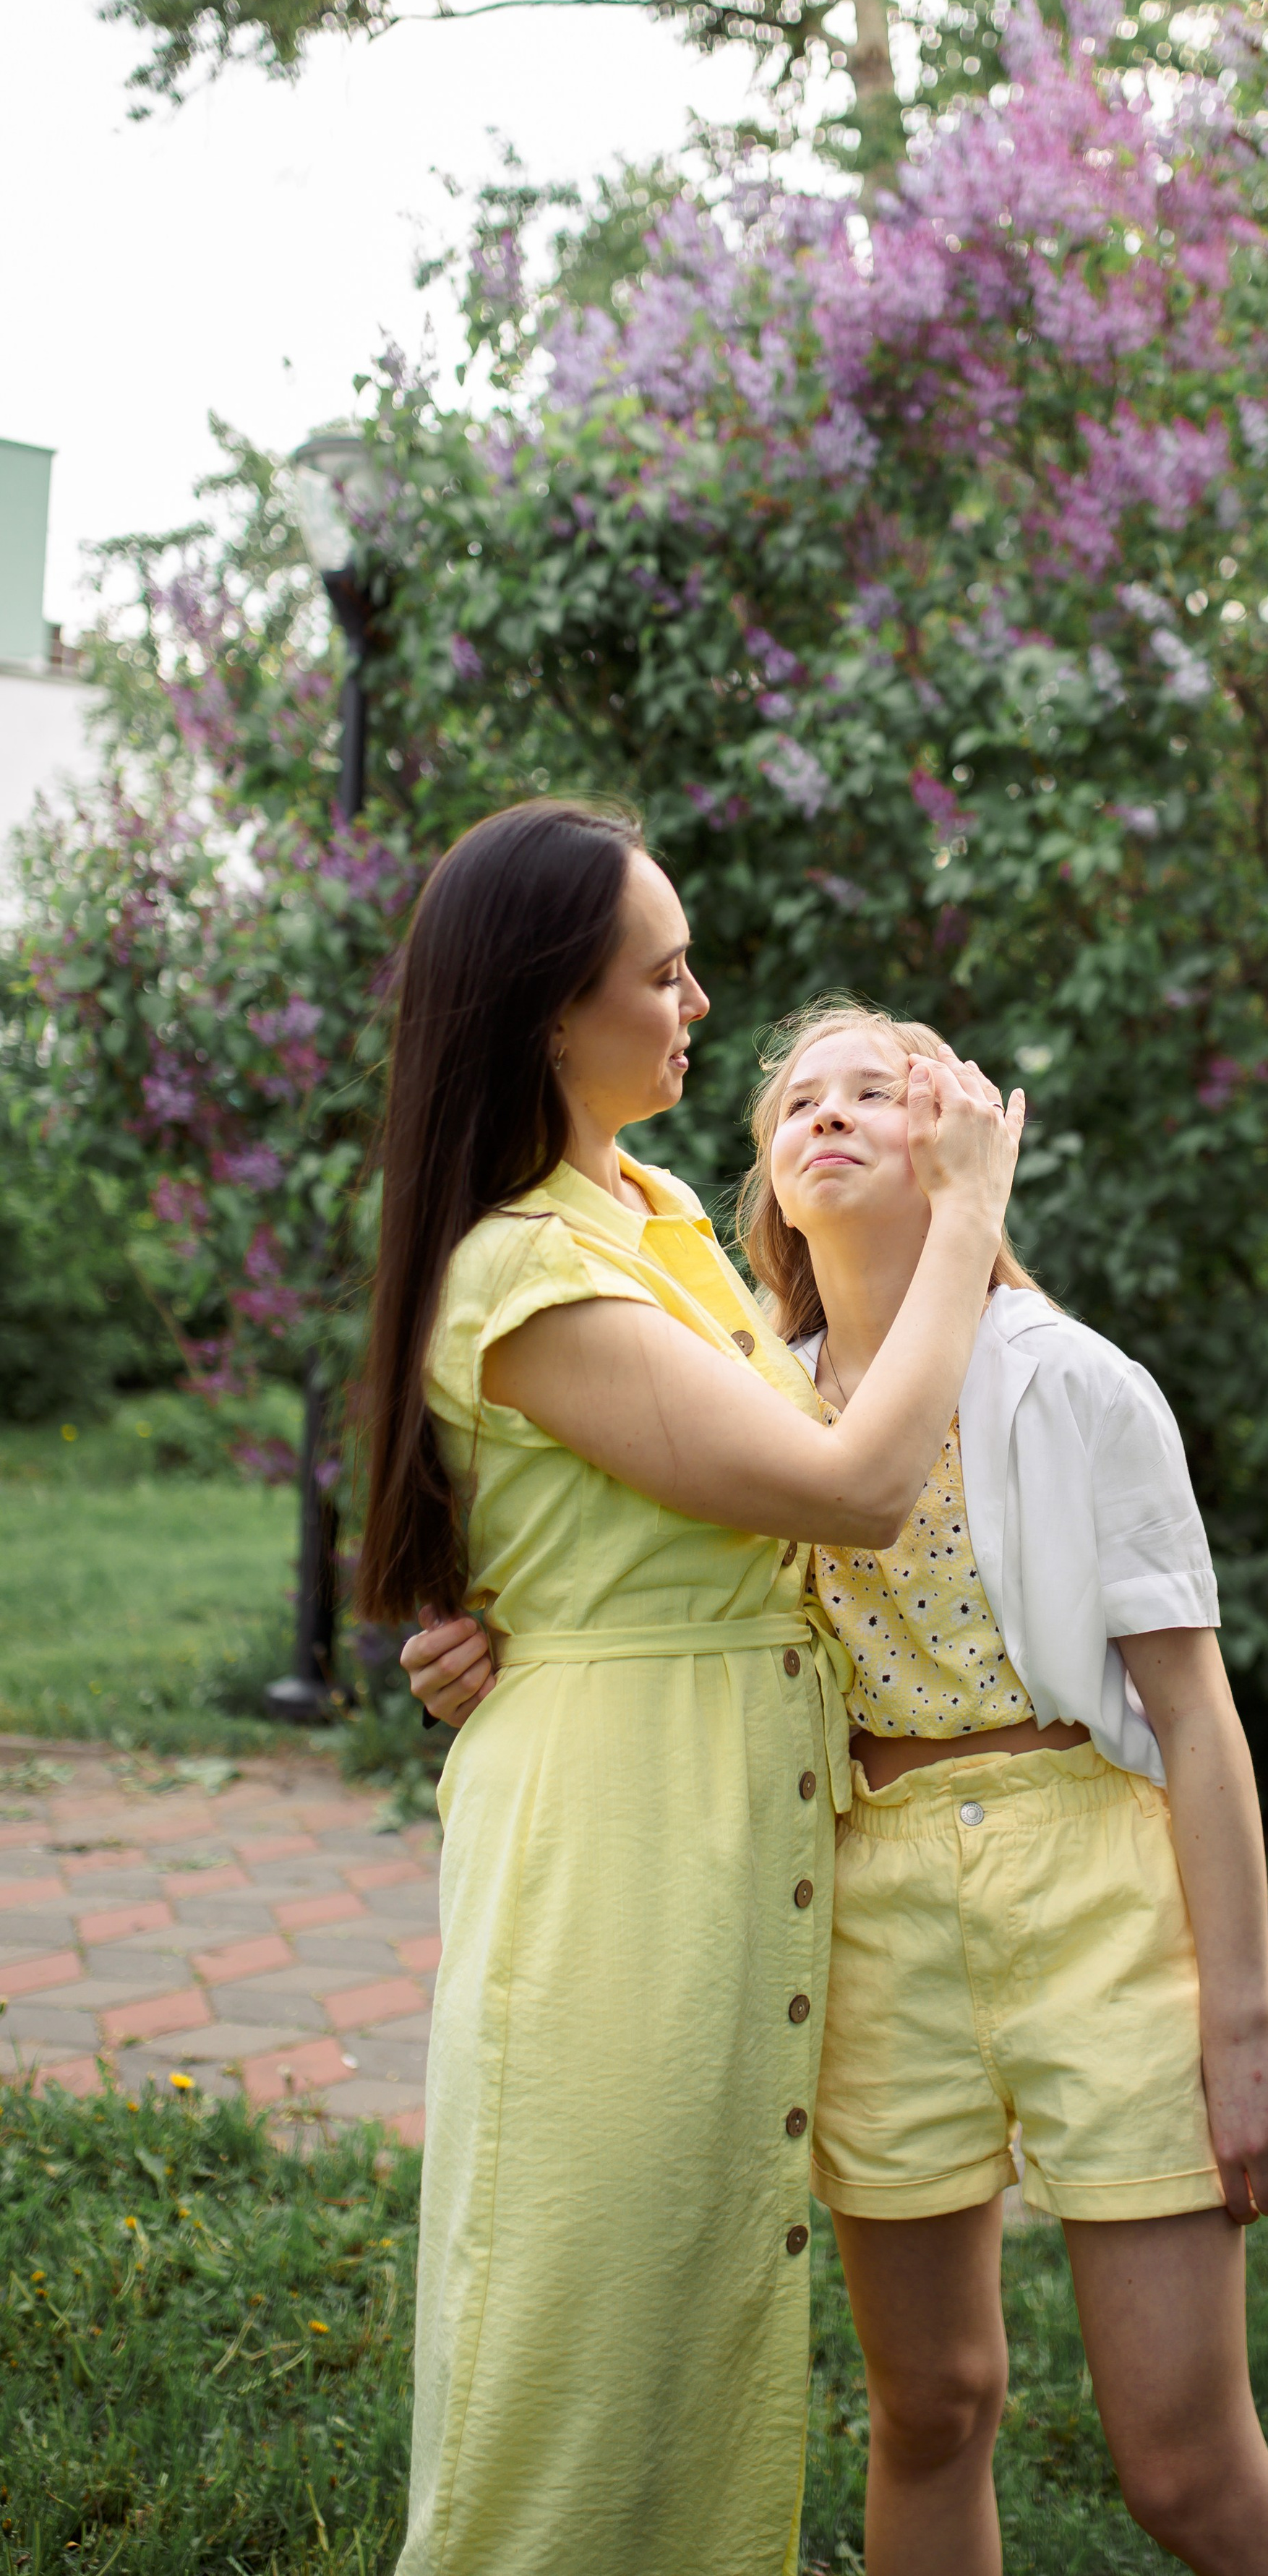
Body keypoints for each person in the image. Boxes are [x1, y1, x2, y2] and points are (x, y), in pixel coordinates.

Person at [411, 989, 1268, 2576]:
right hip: (863, 1914)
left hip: (1090, 1895)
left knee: (1185, 2471)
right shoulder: (750, 1399)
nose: (831, 1115)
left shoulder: (1072, 1384)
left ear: (960, 1145)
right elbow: (636, 1581)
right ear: (771, 1193)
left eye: (878, 1090)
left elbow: (1197, 1720)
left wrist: (1242, 2026)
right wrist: (486, 1644)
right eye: (797, 1102)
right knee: (929, 2408)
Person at [356, 810, 1022, 2576]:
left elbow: (671, 1516)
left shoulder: (647, 1210)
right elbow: (847, 1489)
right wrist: (966, 1211)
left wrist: (513, 1615)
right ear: (545, 1013)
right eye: (659, 974)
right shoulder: (523, 1265)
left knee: (693, 2314)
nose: (697, 1002)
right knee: (584, 2329)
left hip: (719, 1819)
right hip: (618, 1841)